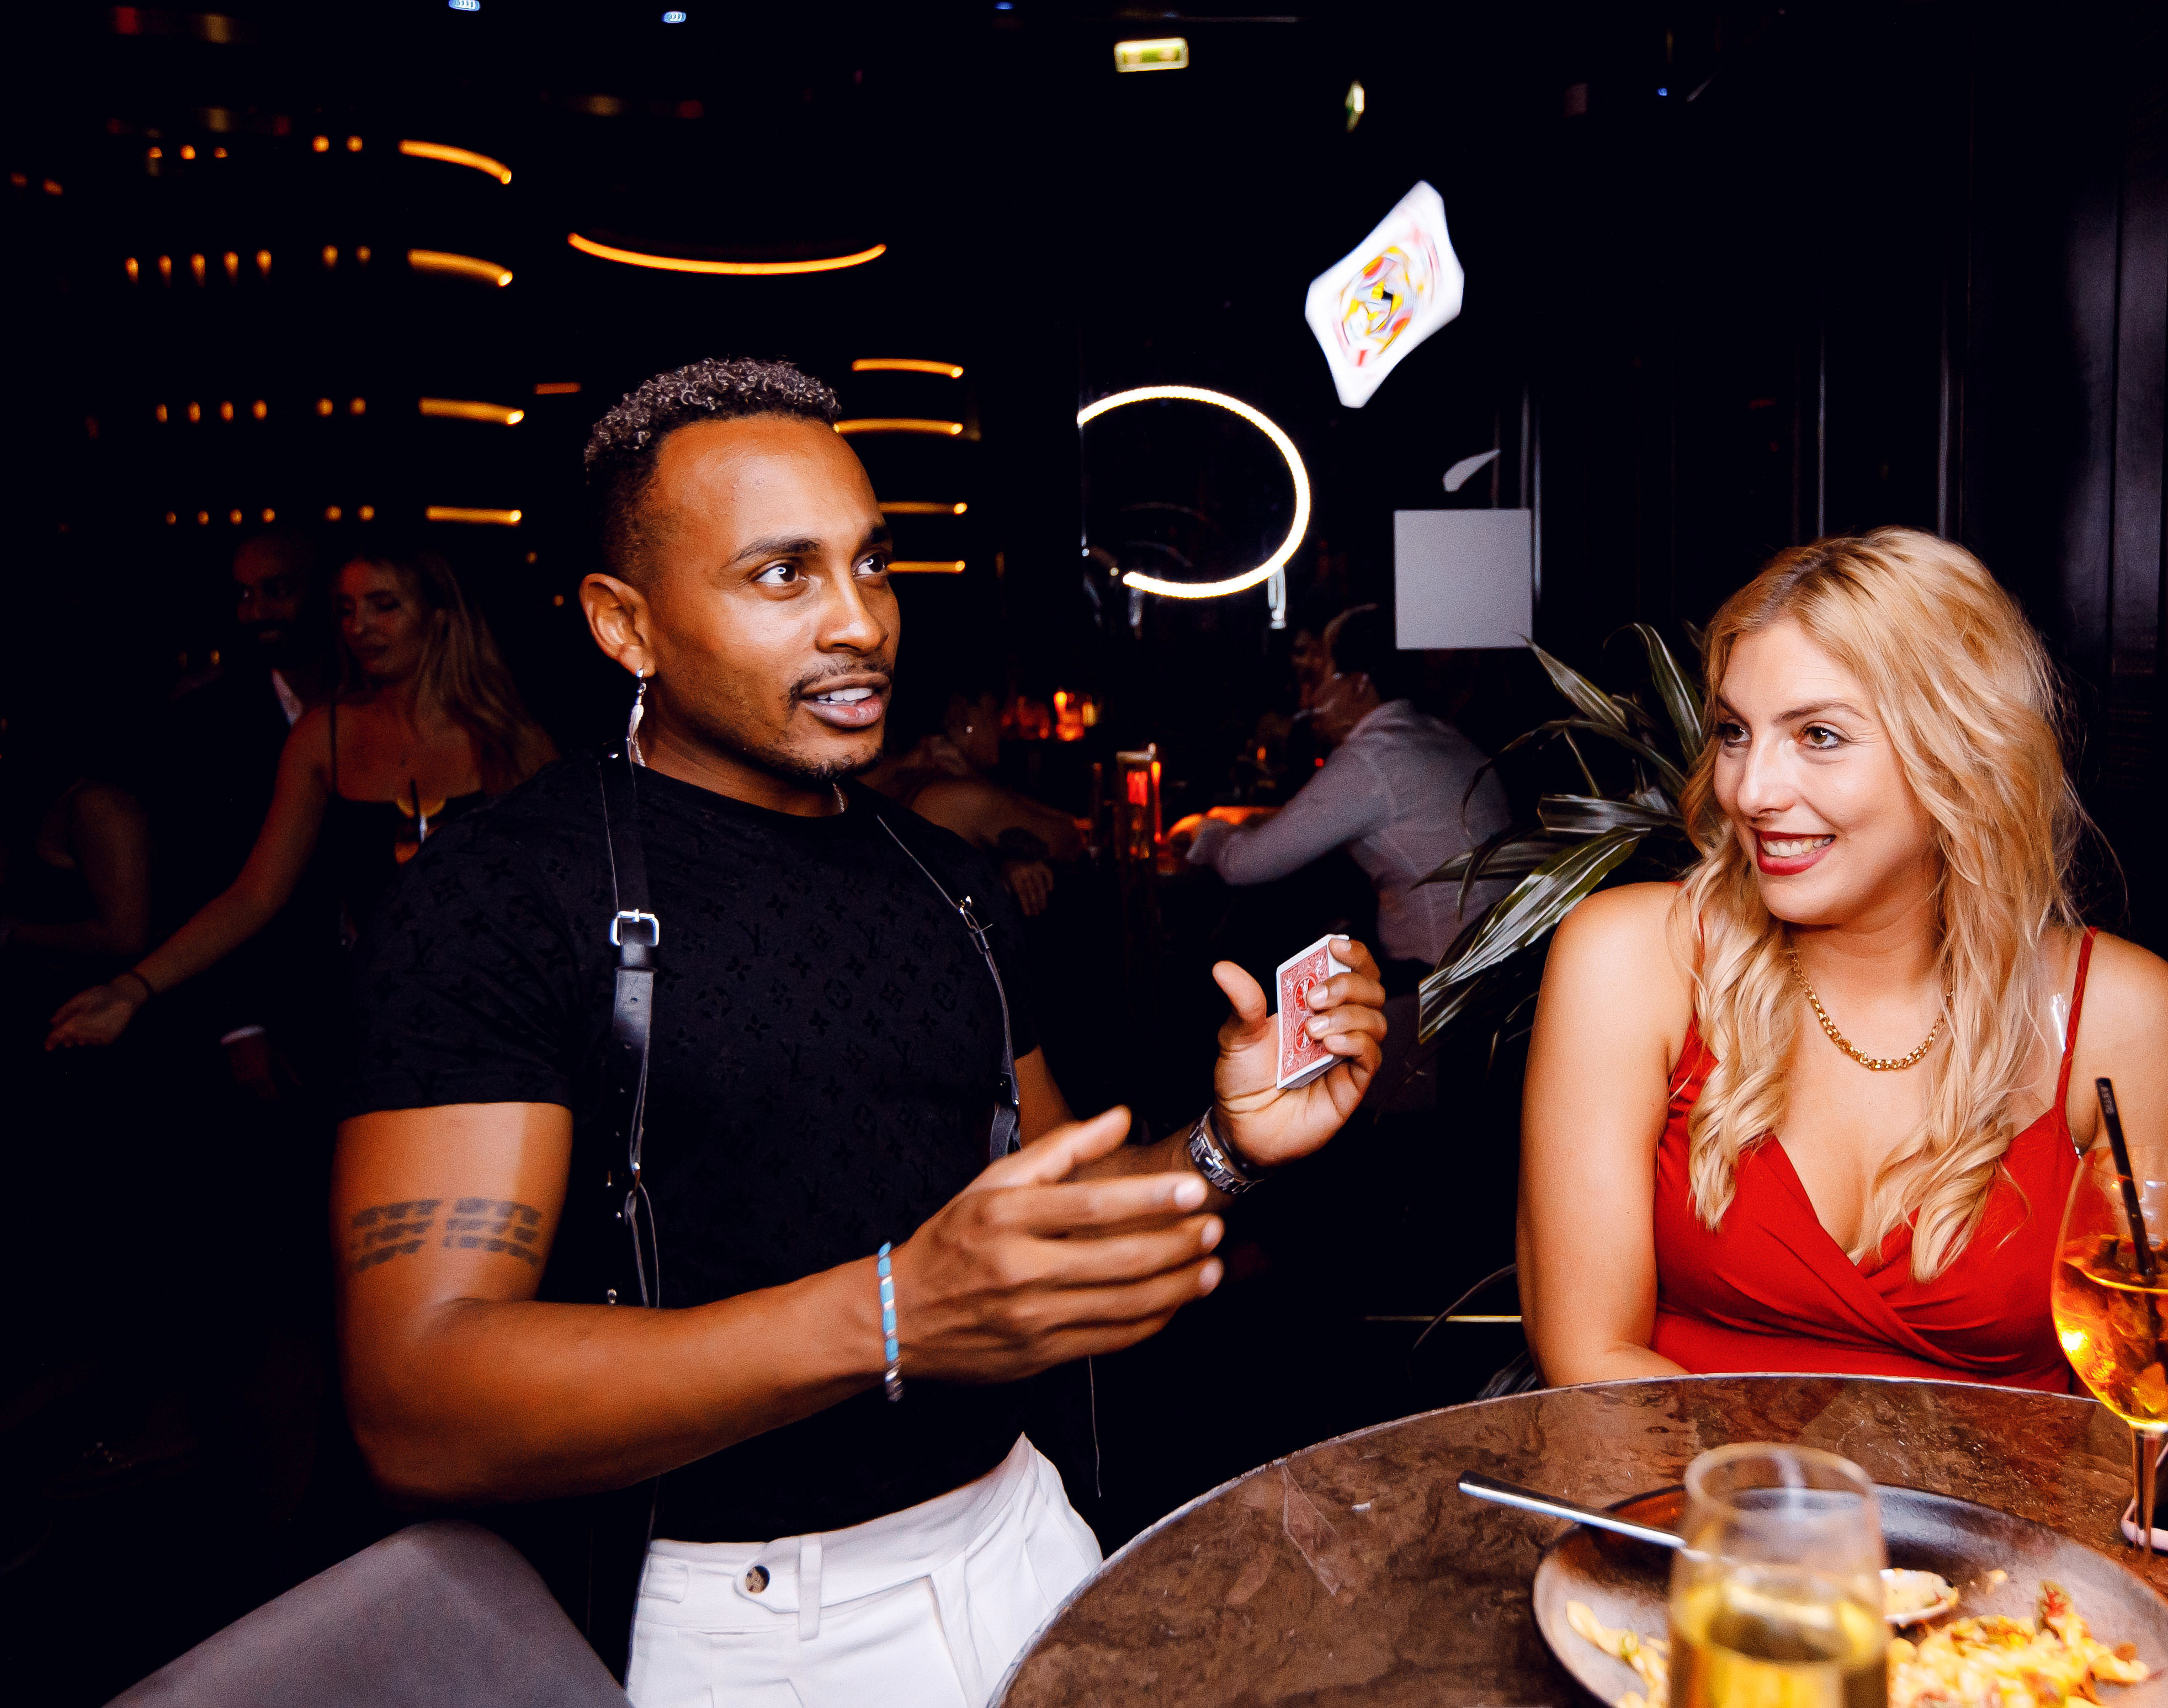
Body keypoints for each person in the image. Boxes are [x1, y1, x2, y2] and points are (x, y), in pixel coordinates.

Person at [324, 358, 1388, 1706]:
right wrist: (888, 1313)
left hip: (1022, 1534)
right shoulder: (504, 895)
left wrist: (1226, 1145)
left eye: (871, 563)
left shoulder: (946, 881)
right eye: (783, 573)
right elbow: (417, 1401)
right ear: (624, 624)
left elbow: (1038, 1232)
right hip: (742, 1615)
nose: (859, 621)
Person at [1518, 529, 2168, 1391]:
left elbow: (2154, 1390)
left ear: (1958, 754)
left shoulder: (2118, 1015)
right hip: (1678, 1480)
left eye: (1817, 734)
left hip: (2006, 1489)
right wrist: (1791, 1490)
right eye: (1734, 731)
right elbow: (1587, 1356)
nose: (1751, 790)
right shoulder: (1631, 960)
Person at [43, 547, 556, 1055]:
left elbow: (564, 894)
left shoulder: (510, 740)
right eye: (346, 609)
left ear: (441, 616)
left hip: (499, 1015)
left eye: (384, 606)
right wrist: (132, 989)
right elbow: (254, 895)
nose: (359, 627)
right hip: (376, 1021)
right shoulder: (324, 736)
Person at [1181, 603, 1511, 983]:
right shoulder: (1437, 734)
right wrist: (1253, 820)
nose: (1309, 700)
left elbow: (1243, 865)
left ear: (1358, 684)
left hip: (1439, 980)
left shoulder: (1372, 757)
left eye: (1321, 677)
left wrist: (1202, 829)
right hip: (1496, 966)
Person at [157, 530, 337, 1097]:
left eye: (276, 590)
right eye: (243, 595)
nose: (256, 611)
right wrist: (239, 1025)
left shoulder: (388, 706)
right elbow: (198, 878)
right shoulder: (206, 720)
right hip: (273, 1003)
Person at [862, 642, 1083, 917]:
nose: (1006, 723)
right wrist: (973, 778)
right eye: (997, 710)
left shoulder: (891, 778)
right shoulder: (957, 796)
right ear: (962, 713)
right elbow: (1069, 837)